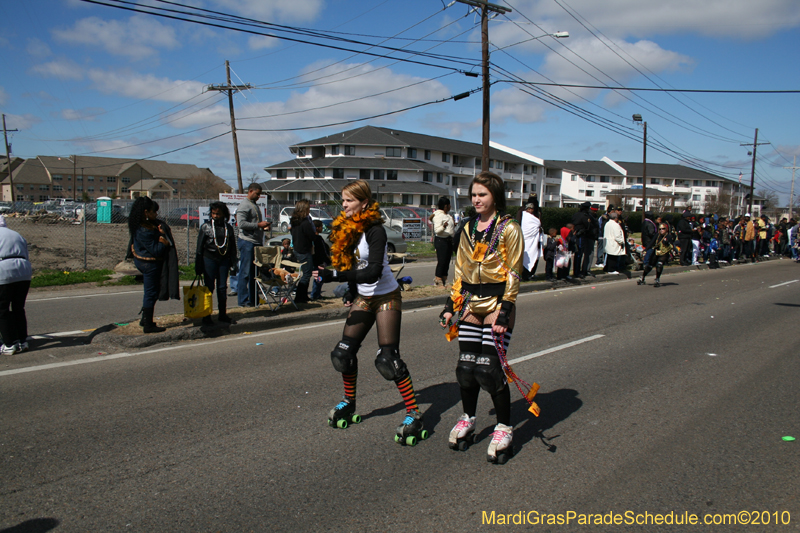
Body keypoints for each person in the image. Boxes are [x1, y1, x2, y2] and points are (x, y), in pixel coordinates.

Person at [313, 180, 425, 444]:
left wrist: (335, 276)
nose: (344, 205)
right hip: (364, 296)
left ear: (364, 203)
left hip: (386, 296)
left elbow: (373, 271)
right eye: (342, 201)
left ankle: (414, 413)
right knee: (342, 353)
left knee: (387, 360)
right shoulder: (346, 228)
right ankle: (349, 402)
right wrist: (351, 289)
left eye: (349, 201)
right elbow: (352, 263)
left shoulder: (376, 231)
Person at [440, 171, 527, 464]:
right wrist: (450, 305)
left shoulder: (509, 228)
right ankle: (468, 418)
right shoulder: (466, 228)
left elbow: (514, 270)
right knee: (466, 367)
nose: (477, 199)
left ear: (495, 197)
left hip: (497, 302)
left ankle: (504, 427)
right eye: (474, 194)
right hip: (470, 302)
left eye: (483, 195)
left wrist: (504, 309)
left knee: (489, 369)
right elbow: (461, 271)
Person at [128, 196, 171, 333]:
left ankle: (145, 319)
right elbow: (156, 251)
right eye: (154, 212)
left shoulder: (139, 225)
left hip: (143, 261)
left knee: (152, 292)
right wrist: (163, 241)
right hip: (149, 263)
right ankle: (148, 324)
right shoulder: (145, 230)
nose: (156, 214)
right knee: (151, 293)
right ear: (146, 212)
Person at [195, 201, 237, 325]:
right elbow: (199, 247)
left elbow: (232, 247)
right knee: (209, 287)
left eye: (218, 214)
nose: (215, 216)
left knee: (222, 287)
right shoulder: (206, 227)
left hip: (223, 260)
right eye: (213, 213)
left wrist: (233, 263)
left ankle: (222, 314)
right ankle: (206, 315)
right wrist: (198, 265)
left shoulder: (228, 228)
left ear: (223, 214)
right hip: (209, 259)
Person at [0, 217, 32, 355]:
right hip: (24, 270)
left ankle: (9, 344)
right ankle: (22, 341)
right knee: (18, 307)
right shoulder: (16, 234)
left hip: (5, 270)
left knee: (2, 309)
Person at [236, 183, 270, 307]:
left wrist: (263, 227)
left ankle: (253, 299)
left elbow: (255, 223)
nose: (259, 196)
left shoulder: (254, 205)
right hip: (247, 242)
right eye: (257, 194)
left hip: (256, 241)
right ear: (250, 191)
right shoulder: (244, 205)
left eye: (260, 194)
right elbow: (241, 224)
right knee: (245, 273)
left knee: (254, 274)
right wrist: (258, 225)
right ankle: (243, 301)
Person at [289, 199, 316, 304]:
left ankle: (304, 296)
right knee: (306, 274)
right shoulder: (305, 223)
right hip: (304, 250)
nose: (309, 209)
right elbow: (312, 236)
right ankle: (300, 296)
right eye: (308, 208)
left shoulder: (294, 222)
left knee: (306, 273)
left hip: (297, 248)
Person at [637, 223, 673, 287]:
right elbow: (651, 243)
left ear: (666, 229)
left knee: (659, 264)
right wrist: (646, 249)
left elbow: (671, 245)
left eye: (663, 229)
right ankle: (643, 277)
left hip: (664, 253)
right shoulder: (657, 235)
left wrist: (667, 242)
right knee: (649, 266)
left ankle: (657, 279)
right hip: (656, 252)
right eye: (660, 229)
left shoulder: (669, 236)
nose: (662, 230)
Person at [516, 194, 542, 281]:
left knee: (535, 255)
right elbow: (518, 222)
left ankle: (531, 273)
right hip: (525, 236)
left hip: (535, 236)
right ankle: (524, 274)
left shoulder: (538, 210)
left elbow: (539, 222)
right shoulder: (522, 210)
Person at [431, 197, 455, 286]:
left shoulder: (447, 215)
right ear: (445, 206)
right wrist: (444, 227)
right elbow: (437, 230)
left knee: (447, 260)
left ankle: (445, 277)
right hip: (441, 240)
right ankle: (438, 278)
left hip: (448, 239)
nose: (450, 207)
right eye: (449, 205)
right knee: (442, 260)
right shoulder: (438, 215)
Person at [571, 201, 596, 279]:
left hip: (576, 235)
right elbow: (588, 226)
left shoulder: (576, 214)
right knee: (579, 254)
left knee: (577, 254)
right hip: (581, 236)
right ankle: (577, 272)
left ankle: (577, 271)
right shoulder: (585, 216)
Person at [309, 220, 330, 300]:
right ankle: (315, 295)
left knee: (317, 278)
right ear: (317, 228)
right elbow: (322, 251)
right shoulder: (318, 238)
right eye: (321, 227)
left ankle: (317, 294)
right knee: (319, 278)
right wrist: (326, 260)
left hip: (312, 260)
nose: (322, 228)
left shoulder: (311, 238)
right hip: (318, 261)